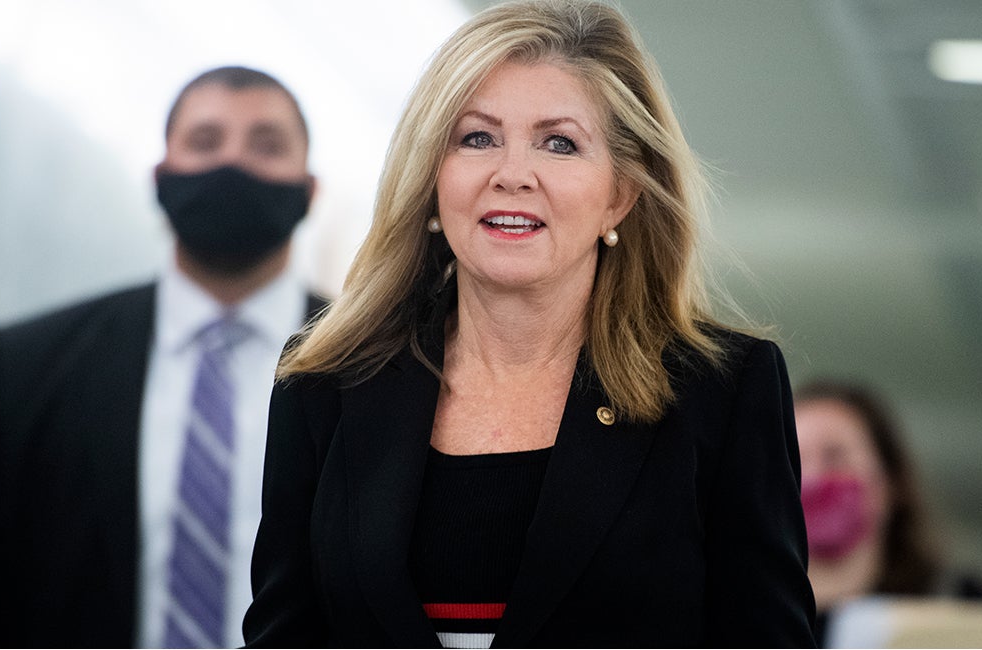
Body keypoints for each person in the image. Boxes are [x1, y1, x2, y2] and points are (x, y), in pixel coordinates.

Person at [241, 1, 817, 647]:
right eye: (477, 138)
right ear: (432, 179)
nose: (512, 175)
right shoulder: (325, 386)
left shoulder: (723, 392)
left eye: (559, 143)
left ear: (620, 195)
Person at [0, 65, 328, 647]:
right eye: (205, 141)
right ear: (161, 179)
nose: (232, 163)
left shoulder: (380, 363)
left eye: (266, 145)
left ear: (309, 190)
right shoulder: (20, 370)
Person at [794, 378, 982, 646]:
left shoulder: (963, 606)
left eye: (835, 457)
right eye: (795, 461)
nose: (811, 477)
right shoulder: (752, 616)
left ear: (892, 481)